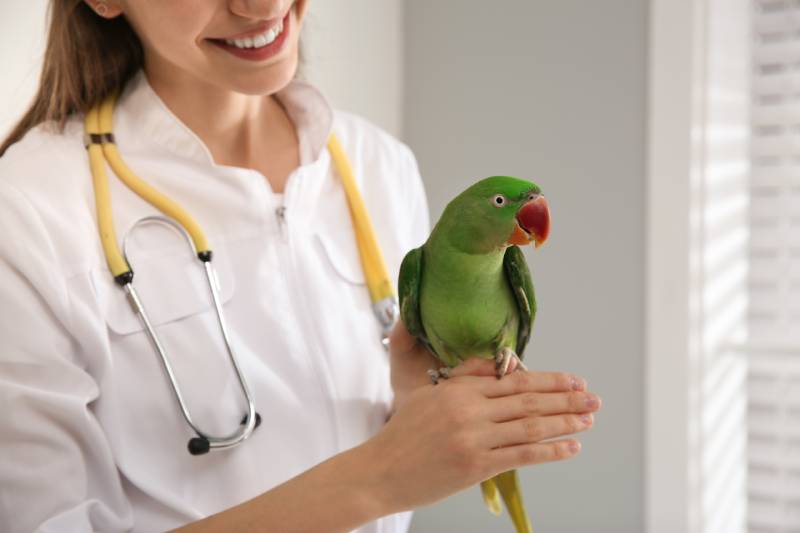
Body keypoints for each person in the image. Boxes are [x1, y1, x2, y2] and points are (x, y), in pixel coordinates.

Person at [0, 1, 602, 532]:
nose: (262, 6)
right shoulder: (29, 209)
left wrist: (417, 414)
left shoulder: (380, 166)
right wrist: (378, 478)